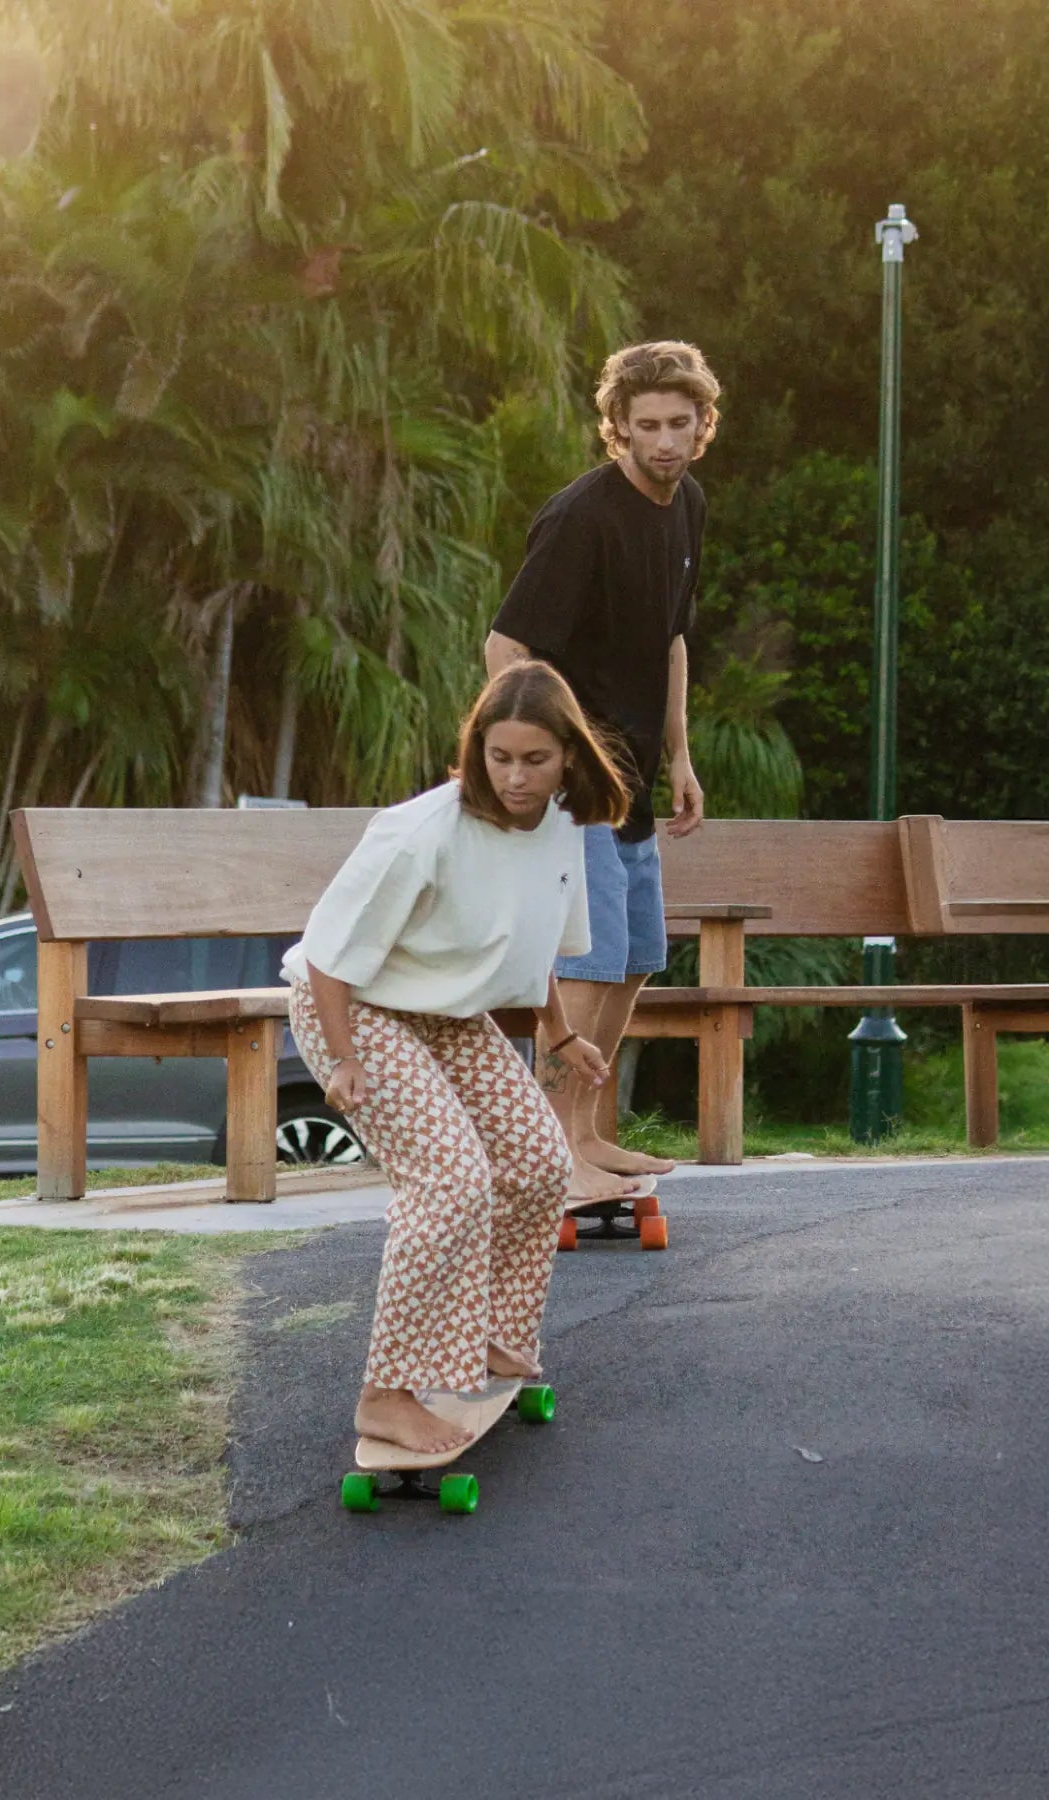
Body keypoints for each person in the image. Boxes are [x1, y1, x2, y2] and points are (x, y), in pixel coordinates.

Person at [282, 661, 631, 1456]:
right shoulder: (424, 832)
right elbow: (331, 958)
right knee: (450, 1180)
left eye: (533, 759)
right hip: (354, 1007)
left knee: (541, 1163)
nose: (514, 776)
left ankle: (493, 1340)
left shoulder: (563, 826)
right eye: (498, 756)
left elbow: (533, 935)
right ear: (478, 750)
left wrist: (562, 1032)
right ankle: (387, 1393)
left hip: (443, 1015)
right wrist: (341, 1061)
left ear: (569, 757)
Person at [485, 339, 720, 1202]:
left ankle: (586, 1134)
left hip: (637, 780)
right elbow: (506, 644)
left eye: (679, 424)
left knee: (633, 960)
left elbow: (670, 640)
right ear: (616, 427)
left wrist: (681, 754)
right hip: (577, 787)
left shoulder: (687, 503)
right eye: (646, 425)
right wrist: (522, 769)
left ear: (702, 427)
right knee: (585, 962)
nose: (664, 440)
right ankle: (554, 1156)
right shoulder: (581, 516)